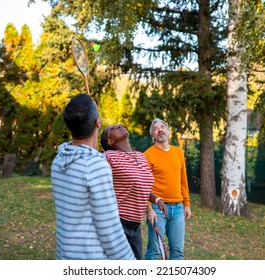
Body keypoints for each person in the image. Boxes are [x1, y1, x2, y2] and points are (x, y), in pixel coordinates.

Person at [50, 93, 135, 260]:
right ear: (98, 123)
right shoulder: (95, 166)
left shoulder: (58, 161)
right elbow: (110, 232)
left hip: (65, 256)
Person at [100, 123, 168, 260]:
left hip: (135, 225)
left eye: (119, 125)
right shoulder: (108, 157)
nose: (119, 125)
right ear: (110, 141)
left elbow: (141, 186)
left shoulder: (141, 157)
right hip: (117, 223)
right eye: (113, 128)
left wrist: (156, 199)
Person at [144, 118, 192, 260]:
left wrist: (187, 204)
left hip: (177, 209)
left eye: (163, 127)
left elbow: (183, 180)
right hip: (157, 208)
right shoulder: (147, 155)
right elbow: (144, 185)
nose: (160, 130)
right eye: (156, 129)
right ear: (153, 136)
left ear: (168, 131)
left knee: (177, 252)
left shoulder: (178, 153)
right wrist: (149, 209)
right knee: (154, 251)